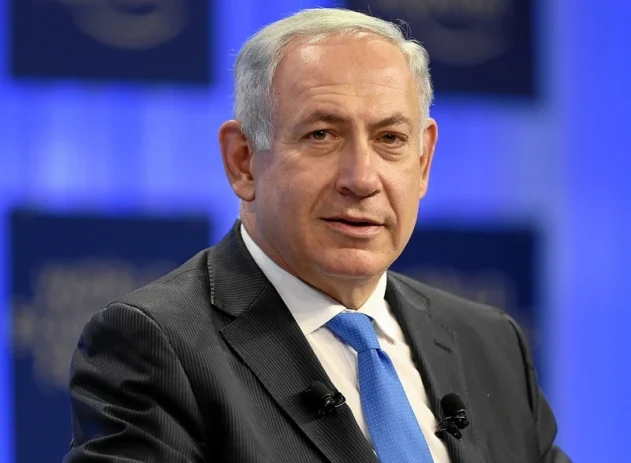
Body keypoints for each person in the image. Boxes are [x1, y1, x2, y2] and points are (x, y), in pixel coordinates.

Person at [64, 7, 571, 463]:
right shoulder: (157, 346)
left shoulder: (490, 343)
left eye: (390, 138)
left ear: (423, 162)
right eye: (321, 135)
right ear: (243, 161)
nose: (362, 178)